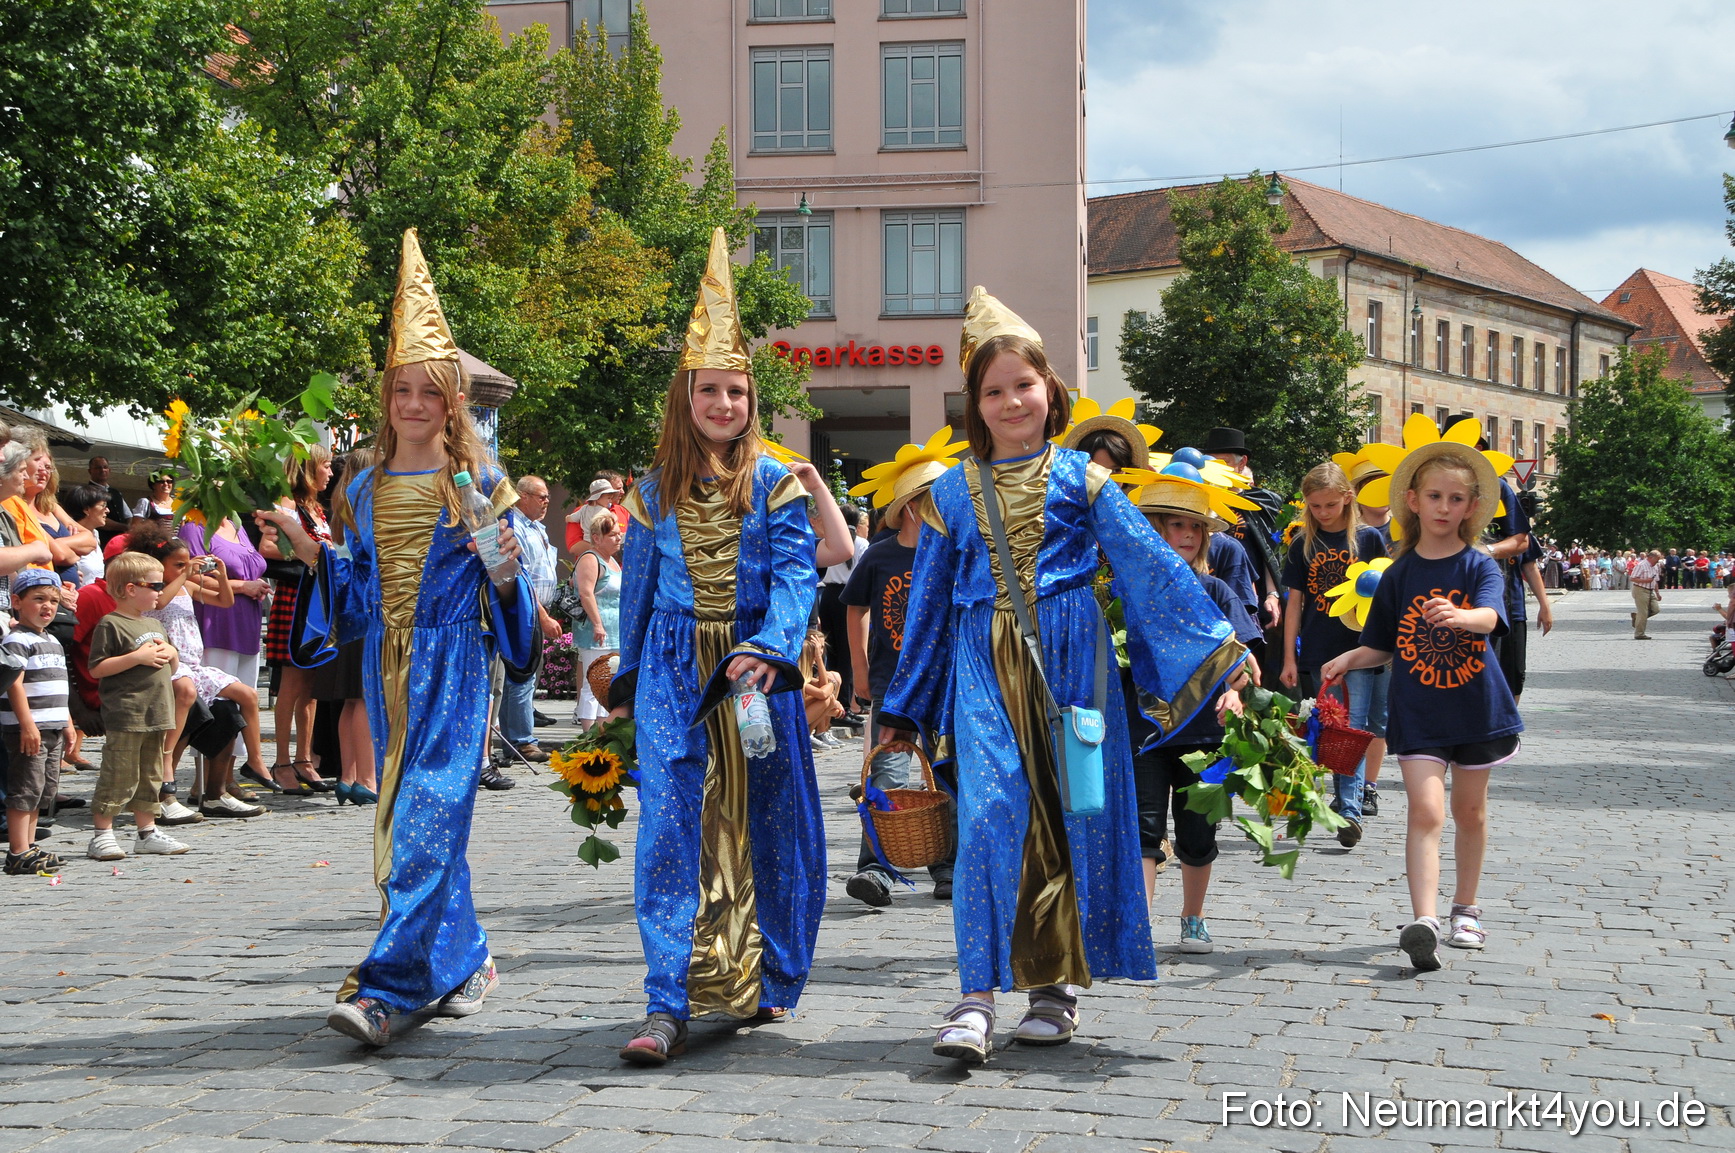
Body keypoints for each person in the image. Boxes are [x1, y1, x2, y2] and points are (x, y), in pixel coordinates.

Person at [878, 287, 1247, 1064]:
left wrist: (1222, 650)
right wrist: (904, 707)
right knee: (989, 816)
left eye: (1023, 384)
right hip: (983, 661)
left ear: (1050, 391)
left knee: (1069, 813)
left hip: (1073, 662)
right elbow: (931, 607)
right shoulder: (948, 492)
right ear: (974, 406)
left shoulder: (1085, 480)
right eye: (993, 390)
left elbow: (1150, 572)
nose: (1011, 399)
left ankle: (1054, 986)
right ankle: (975, 992)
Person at [260, 227, 537, 1047]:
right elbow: (358, 593)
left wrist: (503, 568)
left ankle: (386, 990)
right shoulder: (365, 485)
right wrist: (315, 552)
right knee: (409, 821)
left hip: (452, 667)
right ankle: (469, 956)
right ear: (386, 399)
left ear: (453, 401)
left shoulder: (480, 484)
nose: (414, 404)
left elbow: (510, 600)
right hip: (388, 668)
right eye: (400, 390)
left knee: (423, 818)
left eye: (430, 391)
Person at [607, 229, 823, 1065]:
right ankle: (667, 999)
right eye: (709, 393)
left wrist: (767, 646)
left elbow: (800, 578)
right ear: (685, 398)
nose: (724, 406)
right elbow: (637, 588)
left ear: (750, 398)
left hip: (751, 677)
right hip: (669, 670)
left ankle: (766, 974)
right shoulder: (653, 489)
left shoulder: (776, 479)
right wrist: (621, 678)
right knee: (670, 828)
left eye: (736, 392)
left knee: (767, 819)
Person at [1323, 436, 1521, 974]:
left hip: (1478, 708)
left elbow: (1488, 617)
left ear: (1472, 507)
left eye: (1456, 500)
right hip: (1419, 714)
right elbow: (1381, 642)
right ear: (1413, 500)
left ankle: (1466, 909)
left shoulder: (1478, 565)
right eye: (1434, 497)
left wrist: (1461, 618)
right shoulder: (1398, 573)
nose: (1444, 508)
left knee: (1469, 812)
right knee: (1427, 811)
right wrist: (1347, 659)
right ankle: (1425, 921)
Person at [1128, 468, 1263, 952]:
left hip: (1205, 734)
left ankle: (1192, 918)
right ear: (1155, 531)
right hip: (1143, 732)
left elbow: (1245, 662)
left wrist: (1235, 690)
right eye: (1175, 525)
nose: (1187, 535)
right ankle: (1139, 923)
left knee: (1197, 834)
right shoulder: (1128, 592)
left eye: (1195, 528)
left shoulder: (1217, 592)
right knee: (1144, 829)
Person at [840, 428, 966, 907]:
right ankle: (875, 868)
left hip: (949, 684)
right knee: (887, 775)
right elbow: (856, 610)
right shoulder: (881, 554)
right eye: (934, 501)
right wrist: (858, 671)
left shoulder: (958, 554)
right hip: (892, 685)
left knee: (946, 771)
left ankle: (949, 867)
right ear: (912, 506)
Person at [129, 524, 267, 820]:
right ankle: (165, 776)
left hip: (194, 664)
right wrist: (184, 573)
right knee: (188, 698)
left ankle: (252, 762)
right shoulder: (155, 589)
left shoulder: (189, 586)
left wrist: (220, 573)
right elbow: (162, 601)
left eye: (186, 561)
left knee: (243, 696)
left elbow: (226, 601)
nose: (186, 568)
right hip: (169, 667)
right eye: (178, 564)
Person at [1278, 460, 1384, 846]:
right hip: (1318, 648)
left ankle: (1349, 811)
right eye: (1315, 507)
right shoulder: (1302, 543)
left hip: (1359, 649)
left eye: (1329, 506)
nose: (1322, 513)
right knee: (1329, 728)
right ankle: (1338, 803)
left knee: (1352, 725)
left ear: (1347, 498)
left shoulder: (1368, 539)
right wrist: (1289, 658)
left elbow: (1382, 595)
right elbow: (1294, 604)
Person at [85, 550, 187, 861]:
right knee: (119, 773)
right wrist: (136, 658)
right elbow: (97, 668)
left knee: (150, 774)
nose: (160, 591)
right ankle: (102, 833)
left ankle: (147, 832)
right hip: (127, 714)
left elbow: (172, 666)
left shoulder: (154, 625)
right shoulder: (111, 623)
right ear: (131, 589)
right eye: (155, 586)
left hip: (156, 712)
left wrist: (171, 652)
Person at [179, 515, 274, 795]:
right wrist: (243, 586)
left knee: (244, 697)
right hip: (217, 620)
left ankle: (227, 776)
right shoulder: (195, 526)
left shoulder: (237, 525)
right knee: (216, 700)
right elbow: (190, 577)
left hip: (247, 620)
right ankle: (204, 780)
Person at [261, 446, 333, 793]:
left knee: (311, 685)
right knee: (290, 684)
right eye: (325, 466)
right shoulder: (287, 505)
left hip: (317, 600)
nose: (330, 473)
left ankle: (305, 758)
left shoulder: (316, 509)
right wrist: (309, 552)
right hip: (295, 598)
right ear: (308, 469)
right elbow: (267, 548)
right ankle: (282, 761)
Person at [4, 570, 73, 875]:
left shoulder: (52, 640)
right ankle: (17, 851)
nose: (48, 606)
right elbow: (14, 684)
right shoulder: (17, 640)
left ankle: (29, 846)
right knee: (25, 787)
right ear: (16, 602)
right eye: (39, 599)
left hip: (52, 727)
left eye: (54, 601)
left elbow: (59, 686)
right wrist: (27, 725)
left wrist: (67, 723)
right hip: (29, 730)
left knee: (41, 789)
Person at [499, 475, 562, 764]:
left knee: (527, 676)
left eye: (547, 496)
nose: (547, 501)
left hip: (538, 608)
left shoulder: (537, 527)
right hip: (525, 608)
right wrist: (543, 615)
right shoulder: (515, 526)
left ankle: (516, 738)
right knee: (522, 674)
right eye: (541, 496)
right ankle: (522, 741)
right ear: (522, 496)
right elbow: (521, 574)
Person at [570, 506, 622, 731]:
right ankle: (589, 734)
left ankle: (603, 731)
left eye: (619, 532)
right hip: (596, 632)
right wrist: (598, 624)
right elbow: (586, 592)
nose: (618, 537)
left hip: (614, 631)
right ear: (597, 538)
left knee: (606, 685)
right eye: (612, 534)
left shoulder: (612, 561)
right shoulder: (590, 559)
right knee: (592, 684)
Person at [817, 502, 867, 717]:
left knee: (832, 650)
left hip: (828, 596)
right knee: (848, 650)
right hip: (849, 596)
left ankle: (835, 703)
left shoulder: (830, 540)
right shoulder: (861, 543)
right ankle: (844, 704)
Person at [800, 630, 844, 748]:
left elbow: (822, 685)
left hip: (802, 714)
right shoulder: (799, 675)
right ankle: (808, 735)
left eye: (822, 647)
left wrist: (819, 659)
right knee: (828, 699)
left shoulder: (806, 673)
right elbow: (822, 693)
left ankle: (817, 733)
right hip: (795, 720)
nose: (820, 651)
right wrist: (833, 684)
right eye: (818, 648)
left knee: (829, 697)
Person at [1631, 550, 1662, 640]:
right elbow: (1632, 578)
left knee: (1656, 609)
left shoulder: (1655, 566)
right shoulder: (1641, 565)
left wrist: (1657, 593)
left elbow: (1655, 580)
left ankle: (1637, 618)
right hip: (1640, 589)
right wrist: (1645, 581)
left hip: (1650, 590)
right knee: (1643, 612)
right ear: (1651, 557)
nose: (1658, 560)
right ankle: (1639, 634)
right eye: (1657, 558)